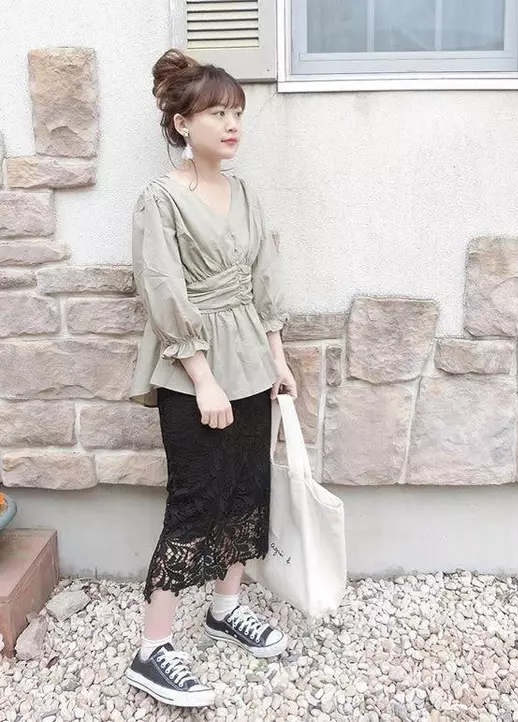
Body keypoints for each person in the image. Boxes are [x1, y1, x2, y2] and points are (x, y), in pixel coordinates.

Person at [124, 48, 298, 709]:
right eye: (217, 113)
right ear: (181, 123)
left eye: (237, 114)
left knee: (247, 489)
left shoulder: (245, 192)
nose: (231, 125)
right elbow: (162, 290)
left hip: (250, 356)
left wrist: (277, 357)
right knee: (195, 500)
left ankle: (226, 607)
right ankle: (152, 650)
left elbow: (264, 278)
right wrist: (202, 378)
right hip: (193, 366)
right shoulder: (160, 199)